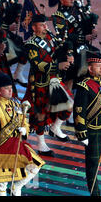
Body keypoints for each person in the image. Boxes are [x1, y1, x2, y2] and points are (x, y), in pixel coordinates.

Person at [0, 72, 45, 196]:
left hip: (17, 145)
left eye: (11, 88)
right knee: (1, 184)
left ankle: (16, 187)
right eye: (6, 89)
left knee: (35, 166)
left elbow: (25, 123)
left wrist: (24, 129)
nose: (10, 91)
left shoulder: (17, 105)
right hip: (1, 149)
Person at [23, 14, 74, 156]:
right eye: (42, 25)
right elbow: (38, 65)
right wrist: (58, 66)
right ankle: (41, 144)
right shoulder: (30, 44)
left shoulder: (50, 36)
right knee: (40, 113)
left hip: (54, 79)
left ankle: (55, 127)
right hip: (39, 83)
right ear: (34, 27)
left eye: (46, 24)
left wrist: (68, 55)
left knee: (69, 103)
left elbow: (60, 48)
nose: (46, 26)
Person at [73, 50, 101, 196]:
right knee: (93, 165)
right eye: (98, 66)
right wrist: (82, 133)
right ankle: (95, 193)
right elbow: (79, 111)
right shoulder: (84, 86)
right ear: (90, 69)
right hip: (93, 129)